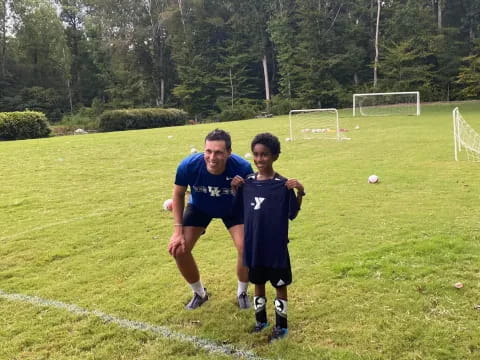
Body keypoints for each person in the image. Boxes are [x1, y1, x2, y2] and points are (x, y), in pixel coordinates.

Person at [168, 129, 254, 310]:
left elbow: (251, 199)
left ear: (229, 153)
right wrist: (178, 231)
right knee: (179, 249)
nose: (212, 157)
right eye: (208, 151)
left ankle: (242, 292)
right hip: (200, 207)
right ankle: (199, 293)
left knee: (245, 247)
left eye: (218, 152)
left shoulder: (242, 168)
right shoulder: (189, 165)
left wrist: (238, 190)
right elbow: (178, 193)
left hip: (232, 208)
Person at [231, 132, 305, 342]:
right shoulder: (247, 183)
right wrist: (234, 189)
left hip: (276, 247)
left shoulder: (283, 185)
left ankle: (281, 326)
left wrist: (300, 191)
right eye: (256, 154)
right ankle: (260, 321)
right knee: (258, 283)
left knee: (280, 286)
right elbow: (236, 210)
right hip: (254, 245)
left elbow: (292, 214)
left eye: (264, 154)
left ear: (275, 156)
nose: (259, 159)